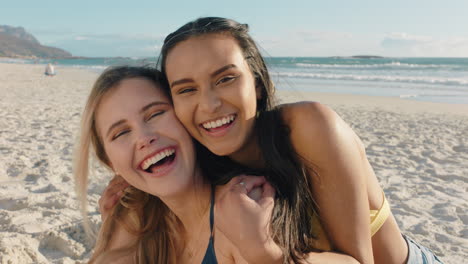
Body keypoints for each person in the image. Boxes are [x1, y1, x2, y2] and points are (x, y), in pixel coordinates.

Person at [155, 17, 443, 264]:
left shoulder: (308, 126)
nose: (208, 104)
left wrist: (268, 254)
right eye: (187, 90)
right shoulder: (196, 161)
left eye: (225, 79)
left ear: (255, 83)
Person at [75, 66, 358, 264]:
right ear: (110, 161)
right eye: (121, 133)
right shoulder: (136, 216)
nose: (144, 138)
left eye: (156, 113)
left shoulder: (242, 209)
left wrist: (265, 253)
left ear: (188, 119)